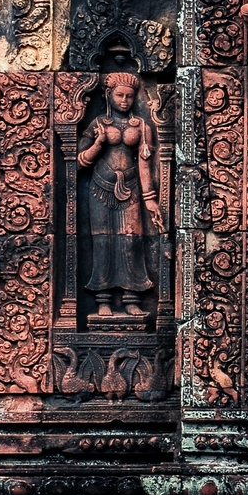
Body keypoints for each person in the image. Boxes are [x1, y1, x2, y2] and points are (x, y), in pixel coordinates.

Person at [78, 72, 162, 318]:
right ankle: (103, 298)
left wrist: (150, 199)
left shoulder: (142, 127)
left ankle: (131, 298)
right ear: (108, 95)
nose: (125, 100)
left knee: (131, 241)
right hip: (101, 190)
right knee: (103, 242)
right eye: (119, 95)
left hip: (133, 191)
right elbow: (78, 163)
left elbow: (145, 166)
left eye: (129, 96)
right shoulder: (98, 124)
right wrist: (98, 144)